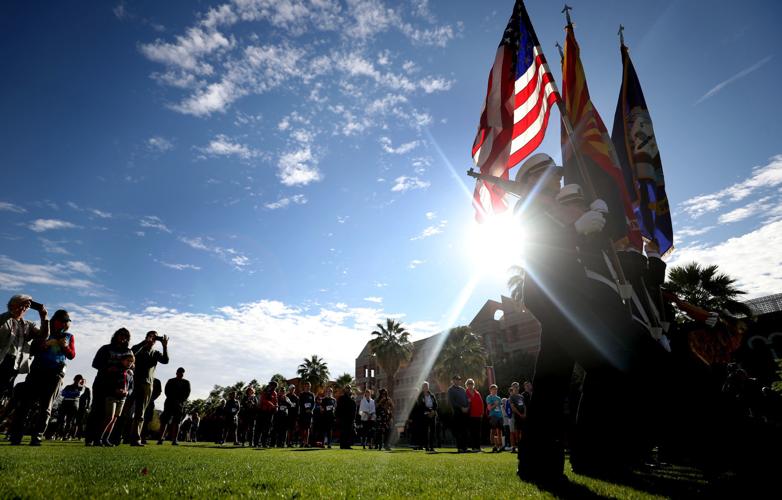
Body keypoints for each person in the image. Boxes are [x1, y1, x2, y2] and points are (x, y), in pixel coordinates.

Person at [10, 309, 74, 446]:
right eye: (61, 321)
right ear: (54, 321)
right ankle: (16, 435)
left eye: (66, 322)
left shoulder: (69, 336)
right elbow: (32, 349)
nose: (63, 324)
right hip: (37, 371)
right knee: (25, 404)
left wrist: (65, 347)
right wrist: (44, 345)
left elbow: (71, 355)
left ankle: (37, 436)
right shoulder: (45, 332)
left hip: (55, 373)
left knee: (46, 406)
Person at [85, 328, 132, 446]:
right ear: (116, 336)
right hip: (102, 382)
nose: (123, 338)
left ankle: (106, 438)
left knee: (113, 416)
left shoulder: (128, 351)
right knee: (97, 411)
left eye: (125, 336)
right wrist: (108, 368)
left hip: (120, 384)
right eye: (121, 335)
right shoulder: (106, 348)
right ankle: (90, 438)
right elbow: (95, 363)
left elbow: (132, 366)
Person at [0, 295, 48, 400]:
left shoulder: (28, 325)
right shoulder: (3, 318)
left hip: (16, 363)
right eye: (21, 305)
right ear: (12, 305)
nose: (24, 308)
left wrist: (43, 318)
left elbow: (43, 336)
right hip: (3, 360)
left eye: (26, 307)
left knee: (4, 392)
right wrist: (14, 312)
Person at [128, 331, 169, 446]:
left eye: (154, 337)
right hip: (134, 383)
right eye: (150, 336)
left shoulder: (155, 353)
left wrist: (165, 347)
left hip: (148, 384)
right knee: (127, 411)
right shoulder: (139, 349)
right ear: (146, 337)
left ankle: (135, 438)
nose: (152, 339)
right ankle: (120, 436)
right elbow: (132, 352)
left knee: (140, 412)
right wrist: (144, 342)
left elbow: (165, 360)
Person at [98, 352, 134, 447]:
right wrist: (115, 389)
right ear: (122, 361)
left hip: (122, 398)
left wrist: (127, 392)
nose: (129, 363)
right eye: (127, 361)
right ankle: (98, 438)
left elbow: (131, 388)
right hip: (112, 396)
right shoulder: (114, 370)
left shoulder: (130, 374)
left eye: (131, 361)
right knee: (109, 417)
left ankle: (106, 439)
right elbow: (107, 383)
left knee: (114, 419)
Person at [158, 367, 191, 445]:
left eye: (182, 372)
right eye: (179, 372)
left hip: (179, 404)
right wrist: (173, 399)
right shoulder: (171, 381)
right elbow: (166, 391)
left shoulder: (186, 383)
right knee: (164, 421)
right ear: (176, 373)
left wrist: (180, 401)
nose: (181, 374)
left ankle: (174, 439)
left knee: (177, 422)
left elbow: (187, 394)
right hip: (169, 403)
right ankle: (160, 438)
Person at [57, 374, 85, 439]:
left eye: (79, 379)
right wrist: (72, 394)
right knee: (61, 420)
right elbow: (63, 393)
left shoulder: (82, 387)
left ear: (81, 380)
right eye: (76, 379)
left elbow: (78, 394)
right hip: (65, 403)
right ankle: (60, 434)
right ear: (74, 379)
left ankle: (65, 435)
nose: (77, 381)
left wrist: (69, 393)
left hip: (73, 404)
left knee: (69, 421)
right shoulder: (68, 386)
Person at [413, 382, 438, 452]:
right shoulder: (420, 396)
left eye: (427, 386)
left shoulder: (432, 395)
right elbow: (421, 406)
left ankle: (432, 446)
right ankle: (426, 446)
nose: (426, 387)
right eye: (424, 386)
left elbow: (436, 404)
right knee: (425, 432)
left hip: (433, 415)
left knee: (433, 431)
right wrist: (429, 411)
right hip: (424, 415)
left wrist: (433, 411)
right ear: (422, 387)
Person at [447, 375, 469, 452]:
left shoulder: (463, 390)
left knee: (464, 431)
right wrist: (461, 408)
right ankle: (459, 447)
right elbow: (452, 402)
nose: (457, 381)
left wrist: (467, 407)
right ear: (453, 381)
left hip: (465, 413)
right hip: (457, 413)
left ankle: (465, 447)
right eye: (456, 379)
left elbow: (467, 400)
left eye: (459, 379)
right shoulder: (450, 390)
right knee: (458, 431)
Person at [257, 380, 278, 447]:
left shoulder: (274, 393)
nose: (274, 388)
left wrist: (276, 406)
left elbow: (276, 401)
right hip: (263, 412)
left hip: (270, 412)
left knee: (268, 428)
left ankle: (264, 443)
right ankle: (257, 442)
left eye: (275, 387)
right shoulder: (265, 391)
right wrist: (272, 404)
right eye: (273, 386)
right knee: (260, 428)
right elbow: (263, 400)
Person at [140, 378, 161, 444]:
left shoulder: (156, 381)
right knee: (138, 418)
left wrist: (151, 399)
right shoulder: (143, 378)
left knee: (146, 421)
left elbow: (158, 392)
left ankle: (143, 437)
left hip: (150, 403)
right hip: (140, 401)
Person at [465, 378, 484, 452]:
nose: (470, 385)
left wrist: (482, 413)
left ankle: (478, 447)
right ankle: (473, 447)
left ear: (473, 385)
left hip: (478, 415)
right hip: (470, 415)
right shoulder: (465, 393)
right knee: (472, 432)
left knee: (478, 432)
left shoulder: (477, 393)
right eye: (469, 384)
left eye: (471, 384)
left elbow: (481, 403)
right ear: (466, 385)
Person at [336, 385, 356, 449]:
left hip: (350, 419)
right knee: (343, 432)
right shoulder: (341, 398)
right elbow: (338, 408)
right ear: (345, 390)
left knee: (349, 432)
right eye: (347, 388)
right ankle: (342, 445)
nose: (348, 390)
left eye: (349, 388)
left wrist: (353, 419)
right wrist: (337, 417)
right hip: (342, 418)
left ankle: (347, 445)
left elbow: (354, 410)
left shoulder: (352, 399)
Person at [486, 384, 503, 453]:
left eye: (496, 389)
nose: (495, 390)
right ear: (490, 390)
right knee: (493, 431)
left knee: (499, 432)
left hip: (500, 416)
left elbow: (500, 408)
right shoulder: (489, 397)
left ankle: (500, 446)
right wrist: (495, 404)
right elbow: (489, 408)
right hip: (493, 416)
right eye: (493, 389)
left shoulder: (499, 398)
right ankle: (494, 446)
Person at [297, 382, 315, 447]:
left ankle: (306, 443)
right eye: (306, 386)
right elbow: (300, 404)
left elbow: (313, 404)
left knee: (307, 428)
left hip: (309, 414)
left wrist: (310, 410)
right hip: (302, 413)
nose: (307, 387)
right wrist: (305, 409)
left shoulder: (312, 394)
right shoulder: (301, 394)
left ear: (310, 387)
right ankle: (302, 442)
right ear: (304, 386)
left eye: (308, 386)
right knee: (302, 428)